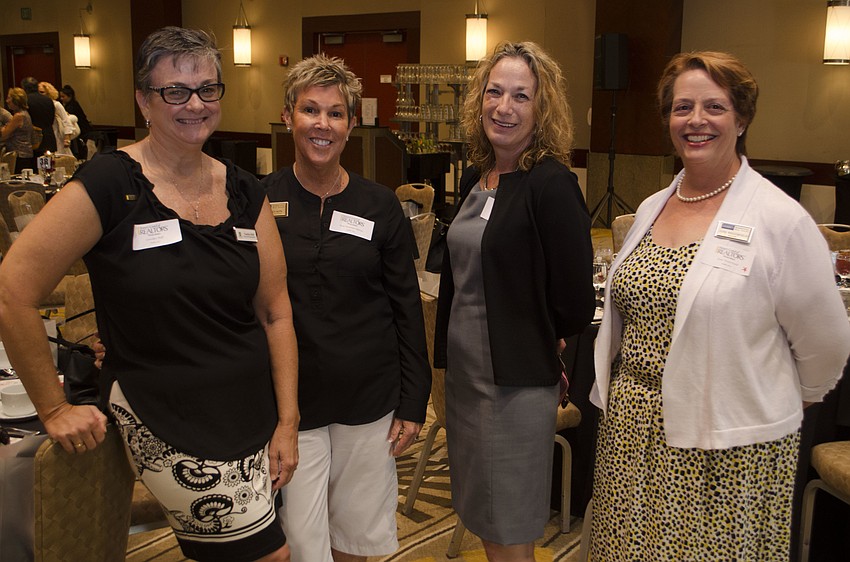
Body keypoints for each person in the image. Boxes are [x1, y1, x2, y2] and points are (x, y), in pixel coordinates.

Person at [0, 27, 298, 562]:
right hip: (165, 416)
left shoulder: (243, 189)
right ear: (143, 101)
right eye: (175, 91)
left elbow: (275, 312)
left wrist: (288, 421)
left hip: (250, 412)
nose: (195, 104)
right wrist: (53, 407)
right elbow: (12, 291)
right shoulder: (110, 183)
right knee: (267, 556)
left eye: (207, 89)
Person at [589, 51, 850, 560]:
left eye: (714, 106)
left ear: (742, 118)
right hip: (630, 430)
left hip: (726, 443)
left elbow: (827, 343)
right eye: (682, 107)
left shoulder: (779, 219)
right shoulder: (652, 207)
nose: (696, 120)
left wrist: (780, 397)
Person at [261, 54, 431, 562]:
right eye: (310, 110)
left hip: (369, 398)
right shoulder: (259, 200)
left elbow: (406, 305)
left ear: (352, 124)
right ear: (288, 116)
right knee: (300, 538)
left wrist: (414, 399)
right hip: (292, 404)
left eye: (336, 113)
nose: (323, 124)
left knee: (357, 534)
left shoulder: (379, 205)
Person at [433, 41, 595, 561]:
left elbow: (576, 299)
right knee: (483, 515)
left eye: (521, 96)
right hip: (465, 380)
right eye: (494, 92)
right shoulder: (478, 177)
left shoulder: (551, 183)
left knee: (509, 523)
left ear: (541, 108)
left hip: (514, 386)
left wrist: (541, 337)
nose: (504, 107)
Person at [1, 88, 35, 173]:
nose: (7, 101)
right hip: (26, 153)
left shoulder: (18, 116)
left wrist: (3, 128)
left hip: (19, 155)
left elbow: (4, 135)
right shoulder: (25, 114)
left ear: (16, 100)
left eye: (9, 98)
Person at [20, 77, 55, 156]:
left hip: (33, 139)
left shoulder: (25, 100)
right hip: (48, 136)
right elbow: (52, 119)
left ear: (24, 88)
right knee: (47, 163)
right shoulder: (48, 100)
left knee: (34, 163)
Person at [38, 82, 74, 156]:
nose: (40, 95)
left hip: (56, 136)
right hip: (41, 137)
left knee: (58, 159)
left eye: (42, 92)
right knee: (44, 159)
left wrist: (67, 139)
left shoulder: (56, 104)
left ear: (49, 93)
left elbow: (66, 121)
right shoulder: (37, 105)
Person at [60, 84, 92, 160]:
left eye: (63, 96)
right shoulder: (71, 104)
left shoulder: (72, 106)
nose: (61, 98)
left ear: (70, 96)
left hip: (81, 130)